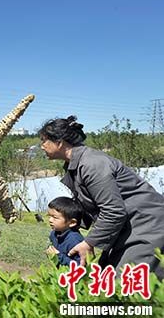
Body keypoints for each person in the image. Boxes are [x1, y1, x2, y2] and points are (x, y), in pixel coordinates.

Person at [39, 115, 164, 279]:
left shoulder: (92, 164)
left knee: (126, 286)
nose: (41, 147)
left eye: (43, 141)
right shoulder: (76, 164)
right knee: (105, 279)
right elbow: (89, 207)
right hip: (126, 228)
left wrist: (89, 242)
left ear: (59, 142)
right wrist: (66, 221)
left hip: (146, 227)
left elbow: (114, 211)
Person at [46, 196, 85, 267]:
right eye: (49, 216)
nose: (50, 220)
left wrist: (59, 256)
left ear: (72, 222)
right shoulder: (54, 233)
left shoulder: (75, 241)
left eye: (55, 217)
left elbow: (81, 267)